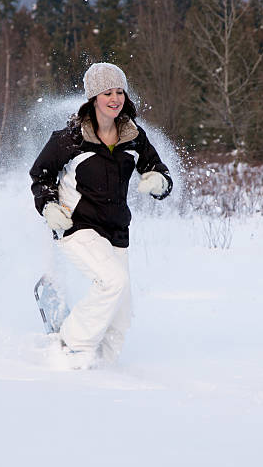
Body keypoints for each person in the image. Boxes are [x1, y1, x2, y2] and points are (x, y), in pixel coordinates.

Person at [30, 62, 172, 368]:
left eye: (119, 91)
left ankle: (103, 372)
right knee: (112, 281)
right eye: (107, 92)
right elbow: (41, 176)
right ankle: (72, 346)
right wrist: (49, 206)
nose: (115, 98)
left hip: (116, 230)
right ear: (93, 98)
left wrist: (159, 182)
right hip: (76, 225)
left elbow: (158, 170)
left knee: (121, 314)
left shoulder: (134, 136)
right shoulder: (70, 138)